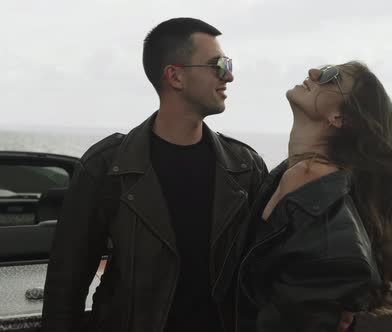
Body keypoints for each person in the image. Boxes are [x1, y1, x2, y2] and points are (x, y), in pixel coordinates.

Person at [41, 17, 268, 332]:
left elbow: (265, 274)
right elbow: (65, 287)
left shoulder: (246, 167)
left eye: (228, 64)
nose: (228, 75)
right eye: (217, 64)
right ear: (175, 76)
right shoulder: (106, 167)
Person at [237, 62, 392, 332]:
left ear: (338, 117)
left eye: (329, 76)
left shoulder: (309, 176)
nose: (313, 72)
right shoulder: (298, 174)